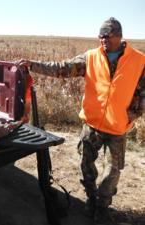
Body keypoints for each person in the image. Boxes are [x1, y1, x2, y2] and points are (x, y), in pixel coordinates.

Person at [16, 17, 145, 225]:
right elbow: (61, 68)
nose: (103, 40)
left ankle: (102, 206)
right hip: (92, 124)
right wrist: (32, 65)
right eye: (101, 36)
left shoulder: (139, 60)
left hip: (118, 127)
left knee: (112, 172)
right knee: (86, 166)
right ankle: (91, 199)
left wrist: (133, 114)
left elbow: (142, 91)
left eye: (108, 36)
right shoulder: (91, 58)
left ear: (119, 36)